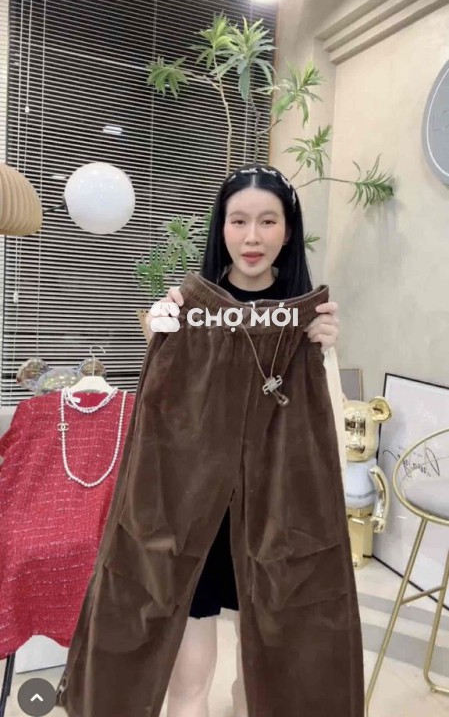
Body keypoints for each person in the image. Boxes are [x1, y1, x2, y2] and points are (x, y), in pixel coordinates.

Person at [144, 163, 341, 717]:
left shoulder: (310, 316)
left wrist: (323, 351)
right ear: (222, 228)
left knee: (261, 684)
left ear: (288, 230)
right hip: (197, 509)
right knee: (188, 685)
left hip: (278, 510)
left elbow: (325, 427)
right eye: (239, 221)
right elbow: (163, 417)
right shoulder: (188, 306)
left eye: (267, 221)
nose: (252, 237)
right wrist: (158, 333)